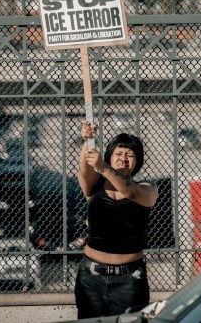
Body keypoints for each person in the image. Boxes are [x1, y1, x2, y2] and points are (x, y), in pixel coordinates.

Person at [75, 120, 158, 318]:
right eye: (118, 154)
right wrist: (88, 140)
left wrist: (102, 166)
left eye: (130, 155)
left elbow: (130, 192)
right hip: (91, 277)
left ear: (138, 162)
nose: (123, 159)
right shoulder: (95, 186)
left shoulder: (147, 188)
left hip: (130, 279)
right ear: (110, 156)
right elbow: (84, 172)